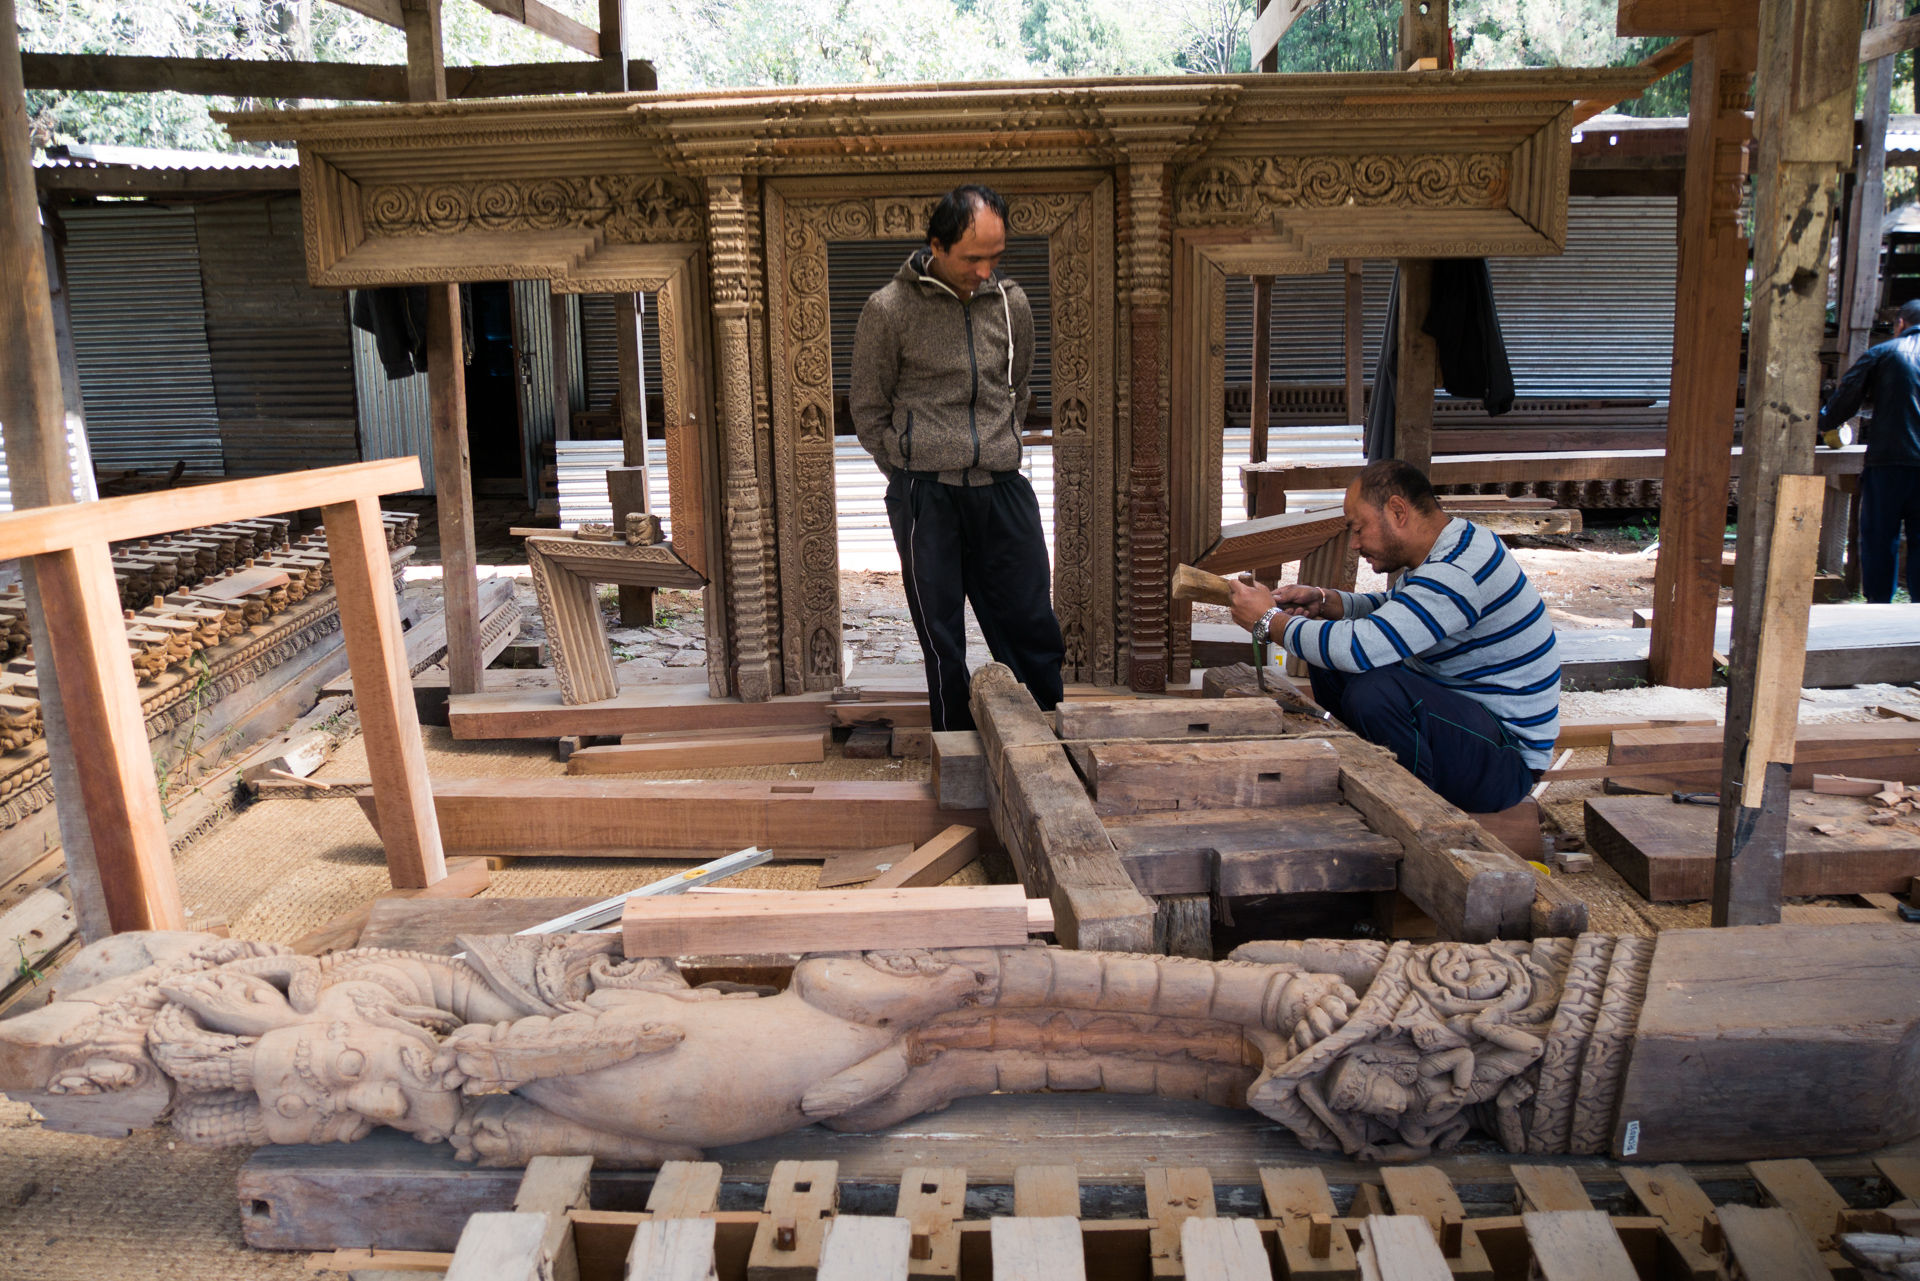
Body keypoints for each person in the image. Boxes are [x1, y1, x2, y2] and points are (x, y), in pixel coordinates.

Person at [1227, 459, 1560, 814]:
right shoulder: (1453, 544)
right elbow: (1402, 609)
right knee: (1331, 656)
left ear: (1398, 511)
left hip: (1506, 763)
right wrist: (1329, 603)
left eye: (1358, 528)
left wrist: (1270, 621)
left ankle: (1409, 810)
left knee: (1374, 691)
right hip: (1473, 730)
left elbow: (1361, 649)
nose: (1354, 543)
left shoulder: (1456, 573)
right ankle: (1363, 770)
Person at [850, 184, 1065, 732]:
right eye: (973, 258)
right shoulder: (888, 310)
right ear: (937, 246)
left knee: (1030, 621)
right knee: (940, 633)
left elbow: (1018, 390)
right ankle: (956, 747)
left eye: (996, 257)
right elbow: (868, 408)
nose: (986, 271)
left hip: (1003, 489)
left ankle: (1043, 738)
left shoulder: (1012, 305)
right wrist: (908, 466)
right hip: (928, 495)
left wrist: (997, 444)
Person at [1819, 296, 1920, 603]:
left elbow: (1844, 400)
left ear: (1900, 324)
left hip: (1889, 464)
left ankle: (1879, 609)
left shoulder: (1883, 353)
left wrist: (1827, 423)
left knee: (1879, 540)